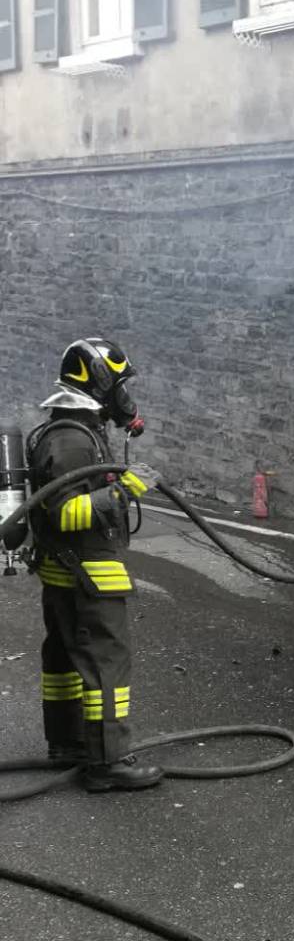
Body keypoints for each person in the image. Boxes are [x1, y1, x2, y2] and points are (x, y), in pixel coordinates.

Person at [26, 338, 161, 792]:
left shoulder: (72, 430)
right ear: (99, 383)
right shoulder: (70, 439)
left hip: (66, 574)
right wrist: (126, 491)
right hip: (87, 578)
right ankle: (107, 763)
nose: (125, 397)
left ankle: (68, 744)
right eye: (119, 385)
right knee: (107, 666)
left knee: (64, 660)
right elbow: (65, 514)